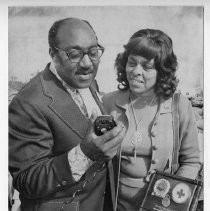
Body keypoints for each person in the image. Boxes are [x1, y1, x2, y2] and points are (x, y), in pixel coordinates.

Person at [9, 17, 124, 211]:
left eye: (93, 52)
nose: (87, 63)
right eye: (74, 54)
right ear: (53, 54)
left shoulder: (88, 82)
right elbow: (26, 180)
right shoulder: (27, 103)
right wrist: (85, 153)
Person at [102, 29, 201, 211]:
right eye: (132, 63)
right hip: (116, 205)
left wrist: (171, 200)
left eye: (147, 67)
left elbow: (191, 161)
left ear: (162, 70)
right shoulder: (107, 103)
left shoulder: (179, 105)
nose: (136, 72)